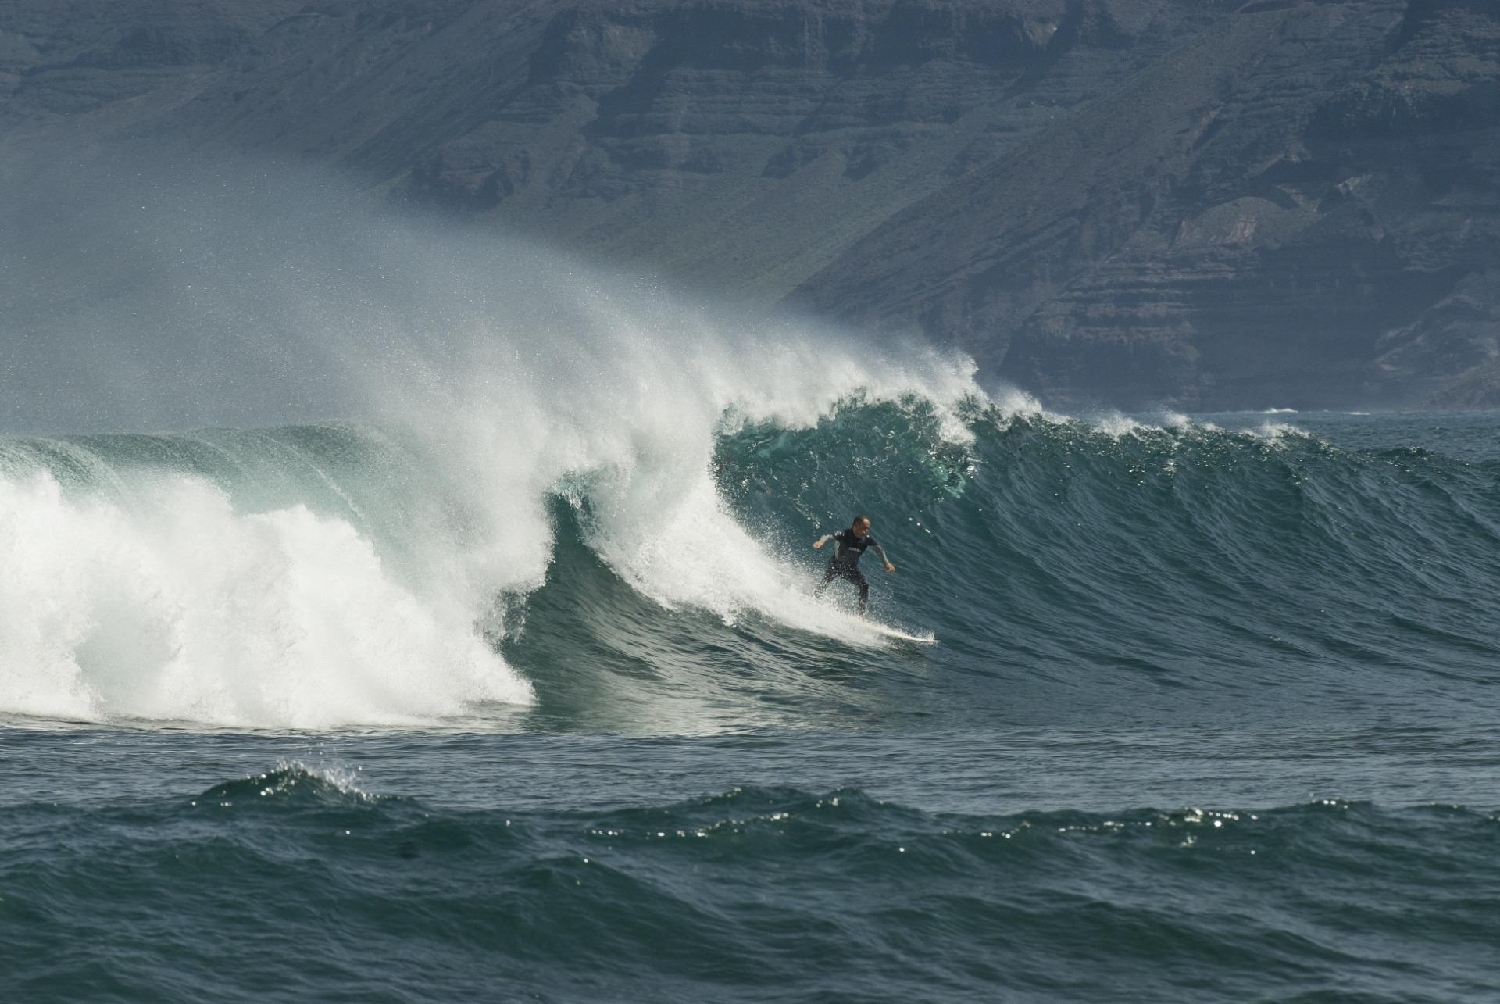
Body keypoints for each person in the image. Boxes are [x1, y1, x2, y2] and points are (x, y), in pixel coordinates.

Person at [812, 514, 895, 617]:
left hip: (851, 569)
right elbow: (828, 536)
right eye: (864, 528)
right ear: (855, 525)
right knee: (824, 583)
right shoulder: (843, 534)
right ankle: (813, 599)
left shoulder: (866, 539)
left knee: (864, 586)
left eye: (867, 529)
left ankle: (861, 615)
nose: (866, 531)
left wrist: (886, 563)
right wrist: (821, 541)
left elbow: (878, 549)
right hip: (836, 564)